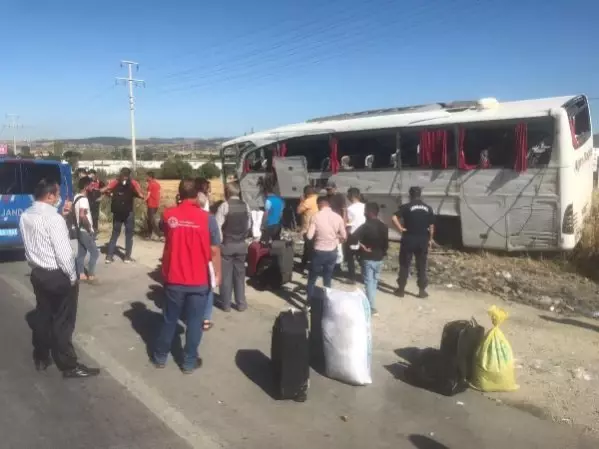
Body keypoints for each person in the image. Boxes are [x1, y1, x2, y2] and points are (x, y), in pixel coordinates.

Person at [19, 178, 100, 379]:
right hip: (57, 275)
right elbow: (64, 254)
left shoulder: (26, 215)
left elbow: (32, 244)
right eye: (56, 194)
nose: (59, 198)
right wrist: (72, 277)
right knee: (64, 321)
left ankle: (41, 357)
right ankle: (68, 365)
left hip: (38, 273)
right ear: (49, 196)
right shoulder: (53, 219)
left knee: (44, 316)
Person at [153, 178, 222, 374]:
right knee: (194, 322)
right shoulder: (207, 218)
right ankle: (189, 361)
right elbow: (215, 250)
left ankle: (160, 357)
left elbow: (162, 229)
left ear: (179, 193)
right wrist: (217, 274)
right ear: (198, 193)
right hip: (198, 279)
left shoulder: (169, 215)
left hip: (174, 277)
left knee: (169, 319)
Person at [392, 186, 435, 298]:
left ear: (410, 195)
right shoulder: (428, 208)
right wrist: (430, 240)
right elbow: (431, 226)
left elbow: (394, 218)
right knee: (421, 265)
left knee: (405, 264)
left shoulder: (406, 207)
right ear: (420, 195)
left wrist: (401, 229)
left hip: (409, 239)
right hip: (423, 239)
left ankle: (401, 290)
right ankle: (422, 291)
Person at [215, 182, 252, 312]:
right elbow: (249, 225)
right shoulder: (246, 206)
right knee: (240, 275)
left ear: (227, 192)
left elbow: (217, 226)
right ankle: (241, 303)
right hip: (241, 244)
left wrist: (220, 242)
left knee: (226, 276)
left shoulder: (224, 206)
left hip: (227, 244)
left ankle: (226, 304)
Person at [348, 202, 388, 316]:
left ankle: (371, 307)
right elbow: (386, 244)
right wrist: (382, 253)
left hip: (368, 258)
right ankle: (371, 303)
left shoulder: (365, 226)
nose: (364, 213)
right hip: (379, 257)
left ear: (369, 212)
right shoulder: (384, 226)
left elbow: (352, 238)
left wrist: (362, 246)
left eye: (365, 210)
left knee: (369, 282)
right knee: (374, 282)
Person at [306, 196, 346, 301]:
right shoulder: (338, 217)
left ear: (319, 204)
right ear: (328, 205)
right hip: (332, 252)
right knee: (327, 278)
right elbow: (344, 236)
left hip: (319, 251)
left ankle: (309, 303)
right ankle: (326, 301)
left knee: (312, 278)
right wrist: (336, 238)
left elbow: (309, 236)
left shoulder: (315, 216)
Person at [101, 167, 144, 263]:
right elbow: (141, 195)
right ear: (129, 174)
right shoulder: (133, 183)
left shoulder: (115, 182)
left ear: (120, 174)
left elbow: (104, 190)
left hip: (117, 212)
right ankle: (127, 257)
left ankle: (109, 256)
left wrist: (110, 194)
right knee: (129, 235)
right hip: (129, 212)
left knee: (115, 234)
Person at [195, 176, 215, 329]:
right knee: (208, 285)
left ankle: (194, 316)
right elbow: (216, 241)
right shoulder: (208, 216)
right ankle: (206, 318)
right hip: (207, 247)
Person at [74, 176, 100, 283]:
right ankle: (91, 274)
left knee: (81, 253)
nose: (92, 186)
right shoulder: (84, 199)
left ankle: (80, 273)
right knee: (95, 253)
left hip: (79, 230)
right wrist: (90, 228)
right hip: (85, 231)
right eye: (90, 184)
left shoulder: (76, 197)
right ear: (86, 186)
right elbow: (82, 215)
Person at [345, 187, 366, 284]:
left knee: (350, 257)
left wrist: (345, 235)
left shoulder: (349, 209)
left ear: (352, 196)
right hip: (365, 235)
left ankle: (352, 278)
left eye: (348, 195)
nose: (347, 197)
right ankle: (365, 275)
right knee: (362, 256)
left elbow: (349, 224)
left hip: (353, 235)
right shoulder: (365, 206)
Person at [296, 185, 318, 274]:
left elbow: (298, 211)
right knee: (307, 248)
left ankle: (309, 267)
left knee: (309, 249)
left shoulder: (307, 201)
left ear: (306, 193)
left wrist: (301, 201)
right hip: (316, 227)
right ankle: (303, 265)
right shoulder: (317, 198)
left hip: (308, 228)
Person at [260, 175, 284, 242]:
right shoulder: (279, 200)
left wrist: (262, 224)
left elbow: (266, 214)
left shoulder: (268, 201)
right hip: (278, 225)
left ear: (265, 192)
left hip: (270, 224)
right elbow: (281, 213)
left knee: (265, 242)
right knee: (276, 240)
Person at [86, 169, 105, 235]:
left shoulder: (100, 182)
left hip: (96, 202)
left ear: (95, 175)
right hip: (88, 201)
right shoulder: (87, 182)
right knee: (87, 215)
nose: (92, 176)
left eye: (93, 174)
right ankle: (88, 229)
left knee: (95, 216)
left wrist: (101, 198)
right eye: (90, 174)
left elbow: (105, 191)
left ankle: (95, 230)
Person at [145, 171, 162, 240]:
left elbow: (148, 195)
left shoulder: (150, 184)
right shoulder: (157, 184)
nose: (146, 178)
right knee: (149, 220)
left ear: (150, 177)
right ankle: (150, 234)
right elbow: (159, 193)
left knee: (151, 220)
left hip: (151, 204)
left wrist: (143, 200)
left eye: (147, 176)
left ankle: (159, 234)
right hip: (156, 204)